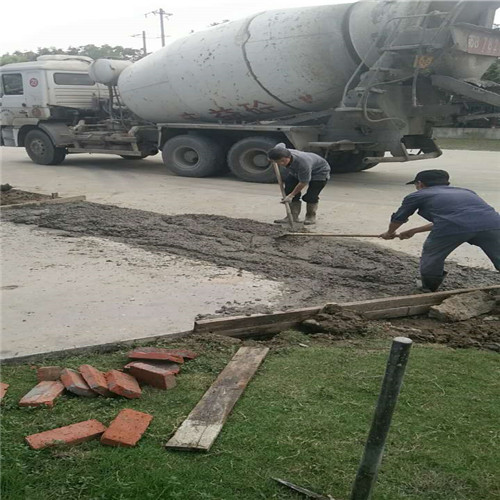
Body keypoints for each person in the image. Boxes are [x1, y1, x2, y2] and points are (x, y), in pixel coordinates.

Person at [380, 169, 500, 292]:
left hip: (452, 227)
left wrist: (389, 233)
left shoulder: (418, 195)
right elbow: (456, 218)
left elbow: (399, 218)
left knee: (433, 255)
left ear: (420, 183)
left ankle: (428, 288)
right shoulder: (466, 192)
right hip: (494, 224)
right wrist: (414, 230)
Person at [268, 143, 330, 225]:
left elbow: (303, 182)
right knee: (289, 188)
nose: (281, 164)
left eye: (283, 161)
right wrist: (271, 158)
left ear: (289, 157)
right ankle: (293, 216)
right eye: (278, 162)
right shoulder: (280, 151)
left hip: (319, 172)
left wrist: (291, 196)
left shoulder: (303, 163)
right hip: (296, 172)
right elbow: (281, 144)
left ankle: (310, 216)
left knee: (311, 196)